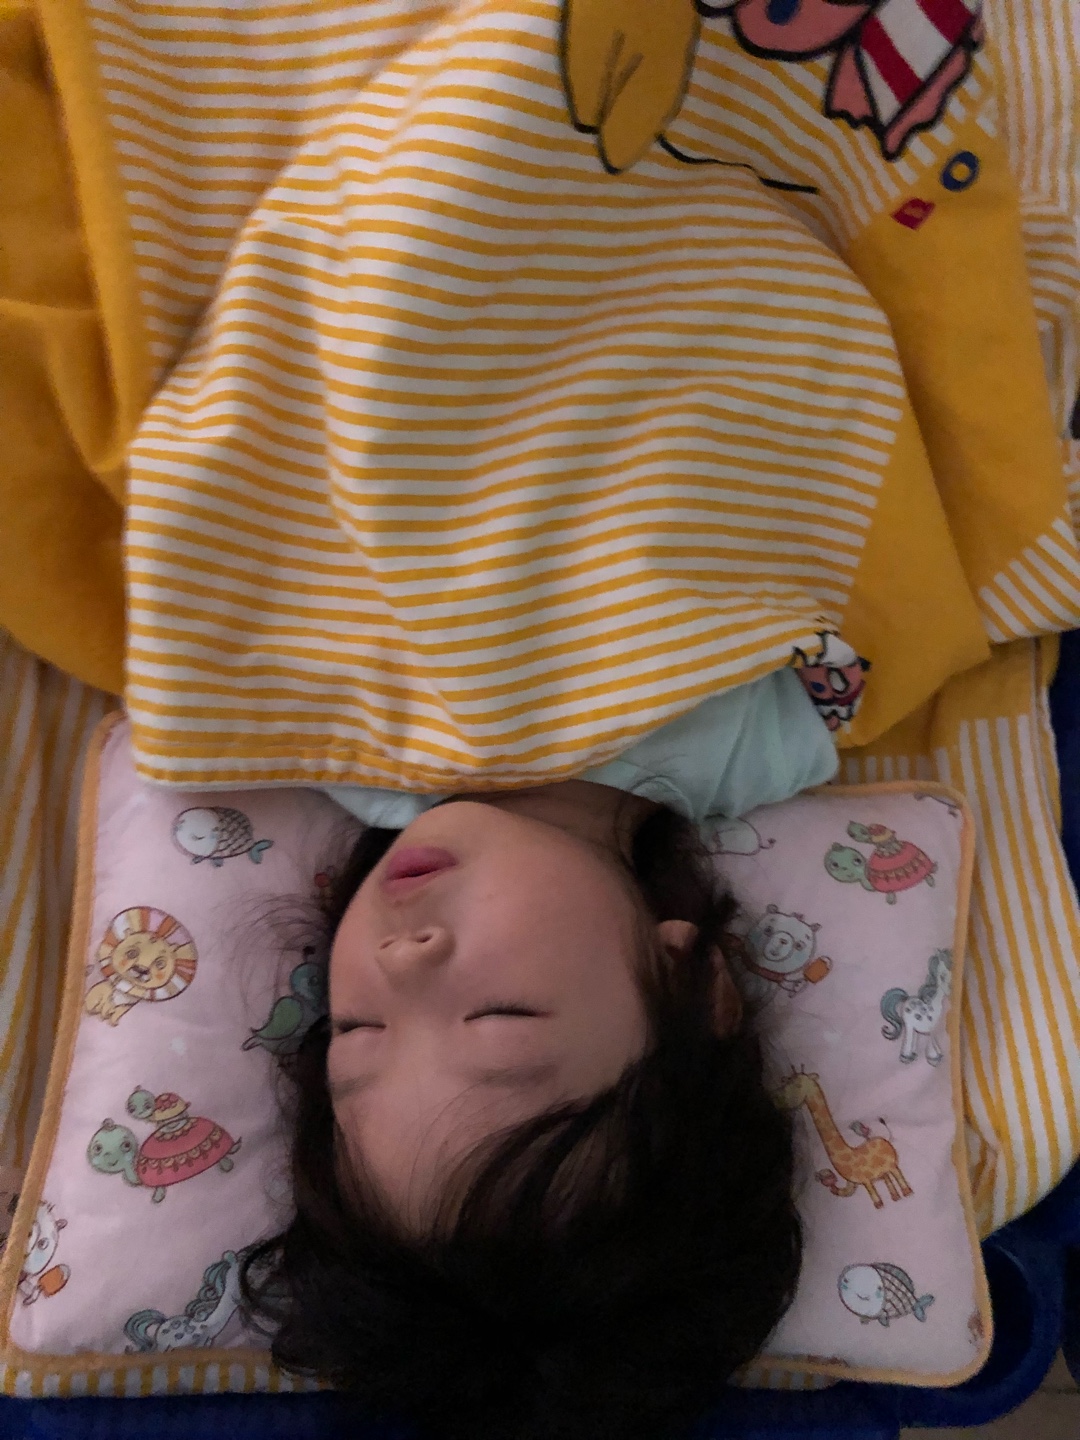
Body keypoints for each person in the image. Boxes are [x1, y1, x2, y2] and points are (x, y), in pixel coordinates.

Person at [240, 671, 832, 1440]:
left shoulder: (301, 720)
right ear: (689, 981)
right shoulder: (767, 718)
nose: (401, 959)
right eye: (500, 1017)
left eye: (357, 1030)